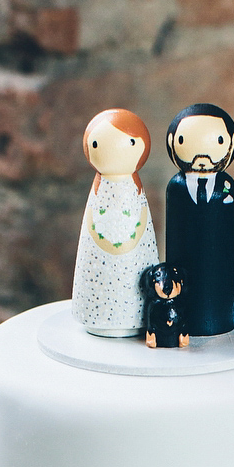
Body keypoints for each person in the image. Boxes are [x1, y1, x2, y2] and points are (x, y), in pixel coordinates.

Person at [71, 108, 159, 336]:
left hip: (137, 301)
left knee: (134, 269)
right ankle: (95, 312)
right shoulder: (99, 192)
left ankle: (134, 315)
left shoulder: (134, 192)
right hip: (93, 302)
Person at [164, 103, 234, 336]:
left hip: (221, 271)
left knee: (219, 289)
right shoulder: (175, 188)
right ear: (172, 143)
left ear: (231, 143)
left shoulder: (227, 188)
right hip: (182, 264)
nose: (202, 154)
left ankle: (218, 319)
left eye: (217, 141)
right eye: (186, 141)